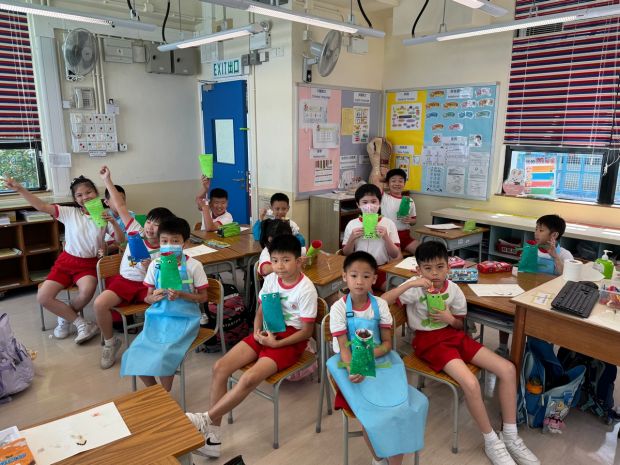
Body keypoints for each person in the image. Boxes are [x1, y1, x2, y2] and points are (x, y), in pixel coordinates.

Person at [382, 242, 540, 465]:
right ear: (418, 269)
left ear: (449, 267)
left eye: (440, 267)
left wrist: (449, 318)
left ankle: (510, 435)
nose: (434, 274)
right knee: (471, 383)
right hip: (429, 342)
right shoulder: (414, 287)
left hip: (453, 336)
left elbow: (459, 325)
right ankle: (491, 441)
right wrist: (410, 284)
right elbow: (382, 301)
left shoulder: (454, 289)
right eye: (427, 268)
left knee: (507, 369)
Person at [186, 234, 318, 458]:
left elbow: (306, 332)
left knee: (248, 378)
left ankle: (205, 419)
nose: (279, 266)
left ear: (299, 261)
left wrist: (277, 342)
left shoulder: (306, 289)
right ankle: (213, 438)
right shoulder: (272, 279)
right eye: (275, 260)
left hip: (290, 340)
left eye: (286, 260)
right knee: (220, 367)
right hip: (267, 330)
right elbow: (260, 310)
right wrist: (256, 331)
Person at [328, 251, 428, 465]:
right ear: (344, 277)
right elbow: (344, 348)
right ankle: (380, 458)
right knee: (373, 417)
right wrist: (354, 368)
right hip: (349, 364)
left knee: (406, 407)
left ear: (374, 279)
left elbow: (387, 344)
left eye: (366, 276)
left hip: (380, 358)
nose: (359, 281)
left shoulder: (380, 305)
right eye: (354, 275)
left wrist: (367, 354)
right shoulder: (338, 308)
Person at [3, 175, 116, 343]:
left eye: (89, 192)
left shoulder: (104, 216)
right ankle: (81, 323)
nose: (85, 197)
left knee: (87, 291)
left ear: (96, 193)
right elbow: (41, 206)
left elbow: (117, 240)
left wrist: (106, 245)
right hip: (66, 261)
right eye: (79, 195)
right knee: (43, 297)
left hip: (88, 264)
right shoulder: (69, 212)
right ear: (75, 199)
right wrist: (20, 189)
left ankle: (65, 318)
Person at [95, 166, 174, 369]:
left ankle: (159, 343)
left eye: (156, 225)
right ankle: (110, 343)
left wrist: (150, 269)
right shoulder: (136, 231)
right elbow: (120, 205)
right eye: (149, 222)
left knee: (164, 303)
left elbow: (166, 278)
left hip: (147, 286)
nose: (150, 227)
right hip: (125, 281)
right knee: (100, 304)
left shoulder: (165, 249)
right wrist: (107, 180)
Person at [119, 217, 209, 391]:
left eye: (175, 241)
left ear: (185, 243)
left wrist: (182, 294)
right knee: (133, 354)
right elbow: (147, 297)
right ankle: (156, 392)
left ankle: (165, 393)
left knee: (164, 356)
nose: (169, 245)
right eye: (164, 241)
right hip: (158, 318)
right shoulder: (155, 264)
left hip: (185, 319)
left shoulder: (194, 266)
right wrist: (153, 298)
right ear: (159, 243)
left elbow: (203, 297)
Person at [496, 214, 573, 358]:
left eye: (541, 230)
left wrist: (555, 257)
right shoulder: (531, 249)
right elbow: (522, 274)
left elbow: (568, 278)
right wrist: (523, 261)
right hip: (526, 292)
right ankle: (503, 347)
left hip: (546, 298)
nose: (536, 233)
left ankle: (539, 353)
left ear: (554, 235)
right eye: (536, 229)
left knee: (540, 327)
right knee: (508, 311)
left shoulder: (564, 254)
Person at [342, 183, 401, 290]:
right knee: (362, 292)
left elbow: (395, 254)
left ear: (380, 203)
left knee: (395, 292)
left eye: (374, 202)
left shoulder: (388, 223)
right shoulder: (352, 224)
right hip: (358, 271)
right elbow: (346, 253)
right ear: (358, 204)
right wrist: (352, 238)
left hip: (381, 269)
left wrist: (386, 237)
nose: (369, 206)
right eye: (365, 202)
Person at [380, 168, 419, 255]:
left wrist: (410, 220)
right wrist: (384, 178)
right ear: (388, 183)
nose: (397, 184)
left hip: (405, 237)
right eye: (393, 181)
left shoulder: (409, 200)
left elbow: (414, 221)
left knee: (423, 251)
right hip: (390, 237)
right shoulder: (384, 198)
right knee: (398, 258)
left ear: (404, 183)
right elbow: (375, 182)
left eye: (400, 181)